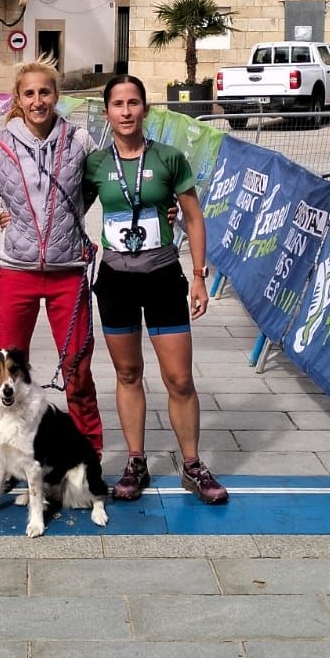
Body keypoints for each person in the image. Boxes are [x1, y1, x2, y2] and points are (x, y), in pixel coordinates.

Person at [82, 74, 228, 505]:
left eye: (133, 103)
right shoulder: (95, 164)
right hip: (116, 279)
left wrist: (199, 275)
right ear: (107, 113)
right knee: (128, 374)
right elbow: (64, 207)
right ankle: (135, 461)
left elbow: (194, 217)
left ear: (145, 109)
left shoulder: (169, 158)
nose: (126, 111)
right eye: (117, 104)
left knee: (179, 378)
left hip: (164, 275)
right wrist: (14, 218)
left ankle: (193, 464)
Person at [0, 55, 103, 454]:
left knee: (77, 369)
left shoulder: (80, 140)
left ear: (56, 95)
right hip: (17, 270)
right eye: (29, 93)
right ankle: (8, 452)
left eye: (45, 92)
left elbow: (101, 187)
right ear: (18, 99)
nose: (38, 100)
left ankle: (89, 452)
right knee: (6, 375)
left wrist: (166, 210)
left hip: (68, 271)